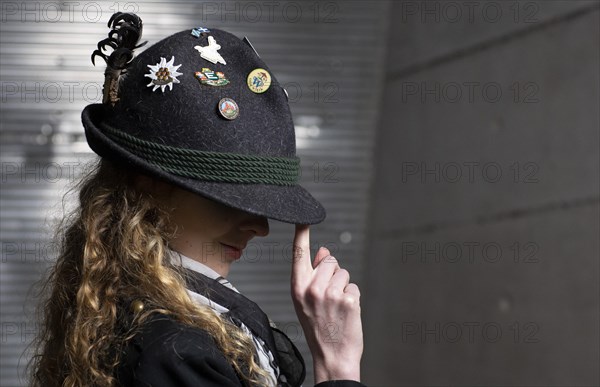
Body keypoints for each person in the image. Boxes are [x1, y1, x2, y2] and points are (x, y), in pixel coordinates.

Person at [29, 12, 365, 387]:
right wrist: (338, 367)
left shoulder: (132, 311)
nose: (260, 228)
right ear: (150, 185)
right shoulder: (178, 352)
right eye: (229, 198)